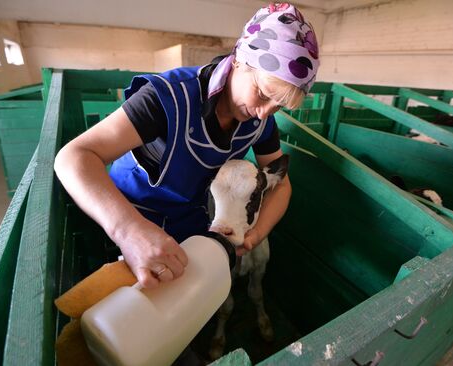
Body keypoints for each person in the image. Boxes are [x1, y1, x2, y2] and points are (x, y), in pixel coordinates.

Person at [54, 2, 319, 289]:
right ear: (240, 60)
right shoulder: (166, 99)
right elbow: (73, 156)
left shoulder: (259, 123)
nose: (265, 112)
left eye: (278, 106)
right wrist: (130, 231)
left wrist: (254, 235)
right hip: (129, 216)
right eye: (263, 94)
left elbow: (282, 185)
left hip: (193, 223)